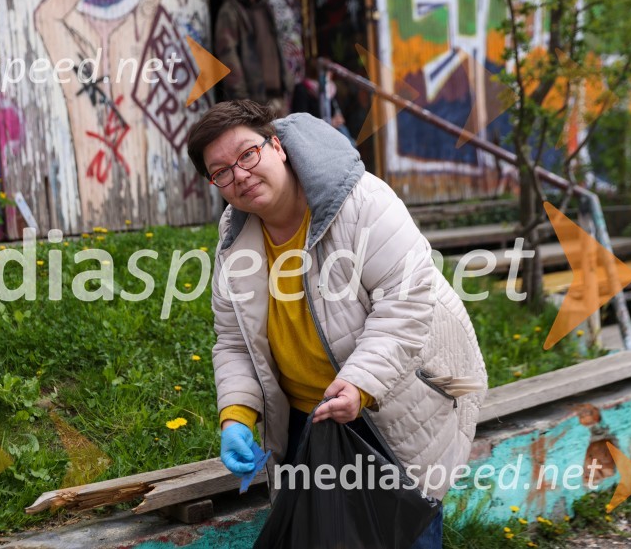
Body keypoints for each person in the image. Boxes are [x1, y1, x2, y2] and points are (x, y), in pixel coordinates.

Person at [186, 100, 488, 548]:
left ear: (277, 146)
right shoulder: (235, 241)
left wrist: (360, 385)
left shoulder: (363, 201)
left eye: (248, 154)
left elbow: (404, 306)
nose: (240, 175)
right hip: (308, 422)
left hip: (392, 403)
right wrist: (235, 416)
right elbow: (233, 342)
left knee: (407, 537)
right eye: (222, 171)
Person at [214, 0, 292, 117]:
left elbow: (276, 46)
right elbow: (227, 55)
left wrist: (286, 81)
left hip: (277, 97)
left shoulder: (264, 7)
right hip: (254, 102)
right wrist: (241, 99)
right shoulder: (230, 10)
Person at [290, 58, 356, 146]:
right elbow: (301, 122)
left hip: (331, 132)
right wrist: (328, 123)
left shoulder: (330, 89)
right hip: (313, 137)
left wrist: (338, 119)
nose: (331, 74)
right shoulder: (302, 89)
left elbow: (337, 112)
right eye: (329, 71)